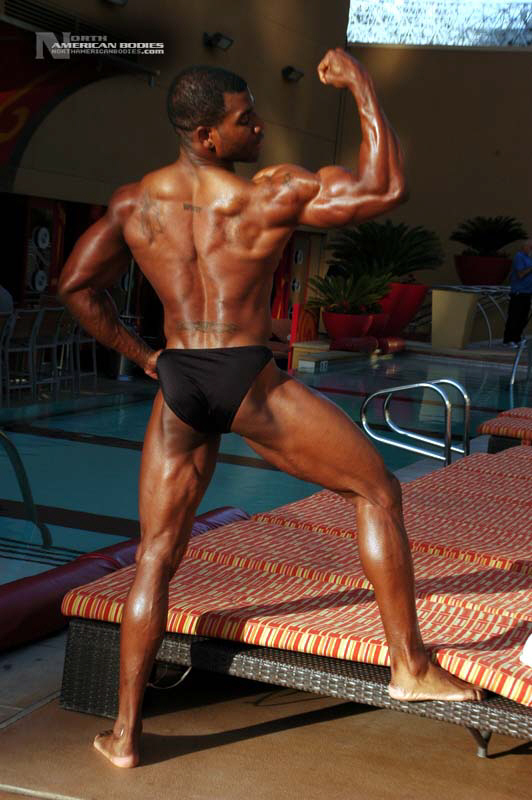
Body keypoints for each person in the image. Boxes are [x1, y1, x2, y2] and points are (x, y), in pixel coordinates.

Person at [58, 49, 482, 769]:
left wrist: (146, 358)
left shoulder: (133, 203)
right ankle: (410, 667)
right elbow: (385, 186)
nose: (258, 127)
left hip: (180, 379)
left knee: (155, 556)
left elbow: (75, 286)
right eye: (244, 119)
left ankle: (125, 735)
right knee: (377, 490)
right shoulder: (268, 195)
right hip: (244, 378)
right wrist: (360, 84)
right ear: (205, 135)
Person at [503, 239, 532, 346]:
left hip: (527, 292)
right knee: (515, 317)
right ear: (524, 247)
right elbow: (520, 274)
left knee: (523, 318)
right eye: (531, 247)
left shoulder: (529, 258)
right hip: (518, 292)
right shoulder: (519, 257)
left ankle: (517, 339)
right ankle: (508, 340)